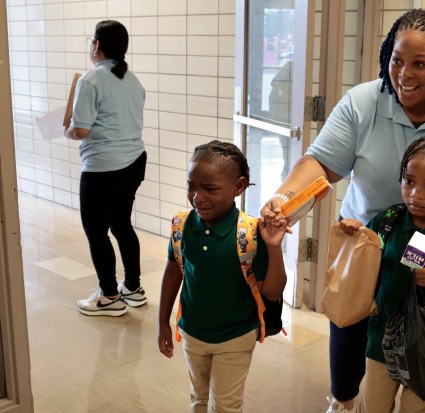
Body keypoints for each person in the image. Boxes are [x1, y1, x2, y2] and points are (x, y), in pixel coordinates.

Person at [260, 8, 425, 413]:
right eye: (397, 60)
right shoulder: (364, 102)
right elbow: (322, 163)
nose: (404, 74)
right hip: (367, 242)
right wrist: (283, 201)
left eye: (421, 63)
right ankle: (344, 399)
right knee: (352, 328)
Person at [340, 136, 425, 412]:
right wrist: (354, 235)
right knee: (373, 406)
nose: (415, 193)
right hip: (380, 342)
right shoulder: (388, 222)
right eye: (408, 181)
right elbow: (361, 268)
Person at [158, 140, 288, 413]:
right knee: (199, 399)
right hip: (192, 332)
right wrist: (163, 323)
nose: (197, 197)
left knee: (226, 406)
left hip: (235, 335)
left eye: (210, 189)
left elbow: (272, 292)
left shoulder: (250, 233)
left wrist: (274, 248)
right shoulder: (182, 226)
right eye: (192, 186)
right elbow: (173, 273)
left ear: (238, 187)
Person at [64, 20, 148, 316]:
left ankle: (110, 296)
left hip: (103, 168)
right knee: (122, 224)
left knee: (97, 232)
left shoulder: (91, 80)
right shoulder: (132, 80)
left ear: (97, 46)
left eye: (91, 40)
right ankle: (133, 289)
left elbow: (82, 130)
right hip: (135, 161)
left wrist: (67, 130)